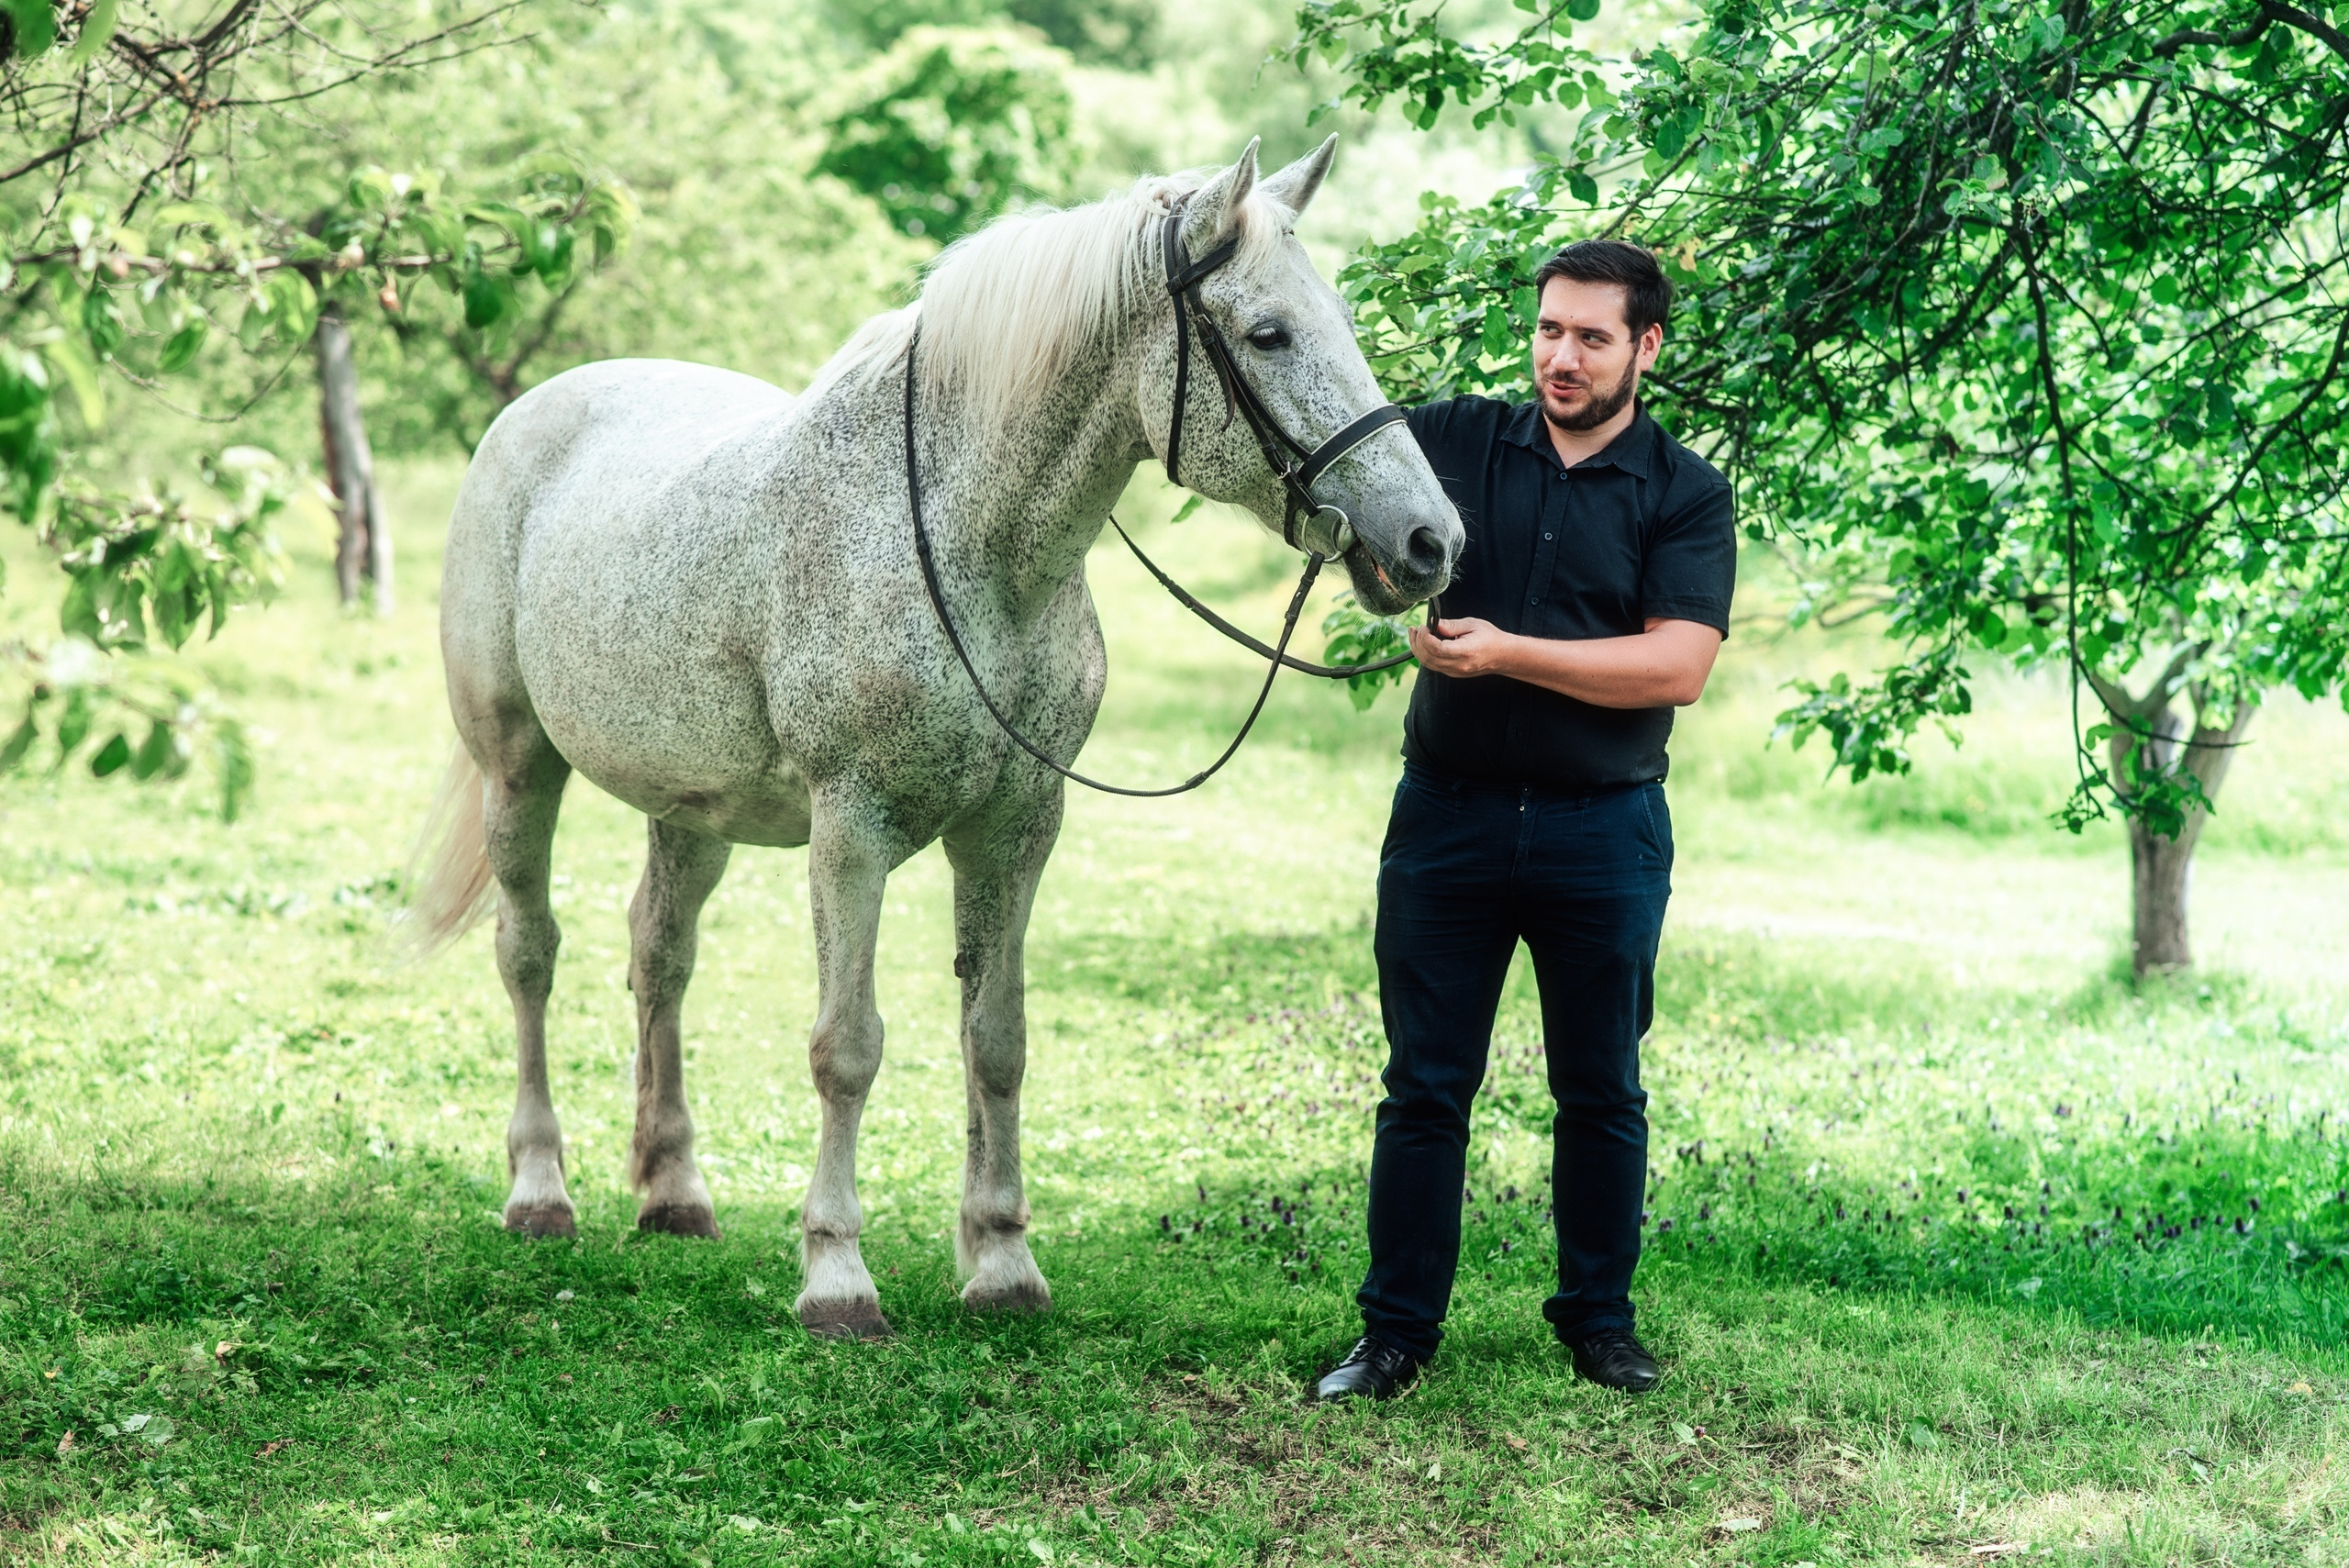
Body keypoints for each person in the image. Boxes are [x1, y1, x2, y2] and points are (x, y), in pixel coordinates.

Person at [1316, 239, 1736, 1401]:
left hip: (1602, 832)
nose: (1560, 355)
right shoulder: (1450, 437)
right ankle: (1394, 1334)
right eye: (1549, 329)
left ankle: (1599, 1323)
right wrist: (1381, 584)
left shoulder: (1686, 490)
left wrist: (1503, 652)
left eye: (1591, 337)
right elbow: (1346, 495)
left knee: (1599, 1087)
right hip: (1443, 818)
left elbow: (1676, 664)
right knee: (1423, 1086)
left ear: (1646, 346)